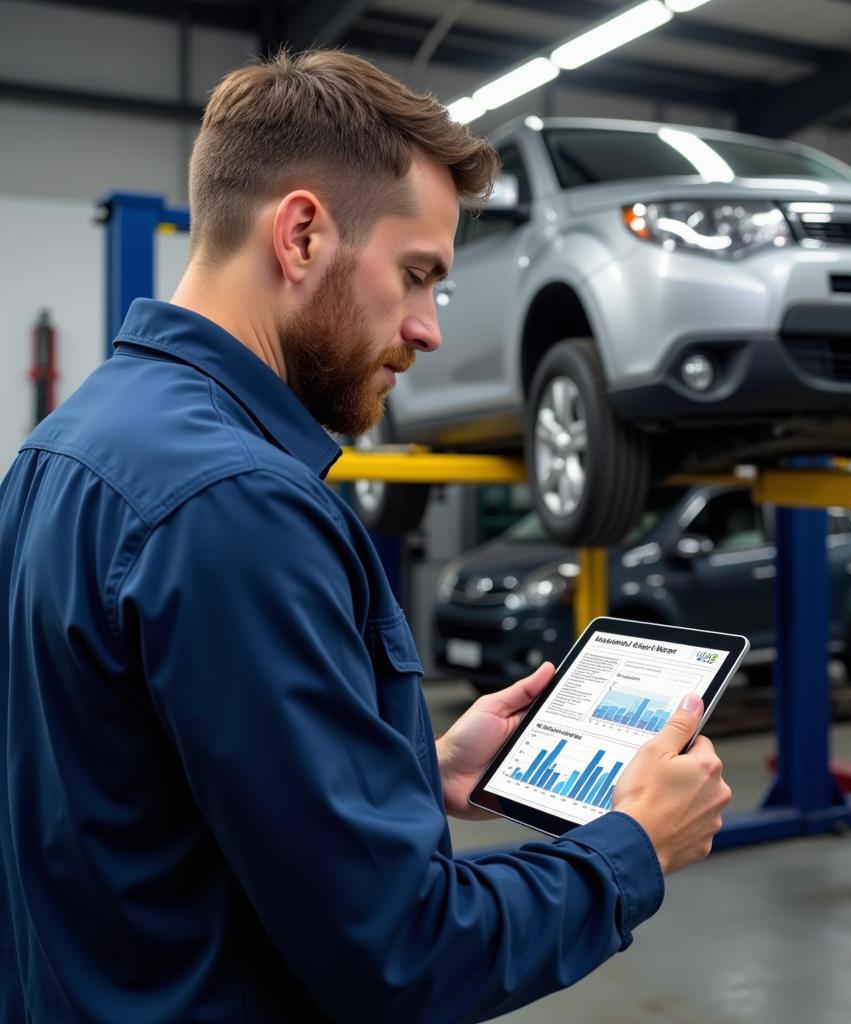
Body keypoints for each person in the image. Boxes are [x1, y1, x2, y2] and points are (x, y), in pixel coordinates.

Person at [0, 49, 731, 1023]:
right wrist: (631, 844)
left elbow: (138, 793)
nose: (427, 329)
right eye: (418, 273)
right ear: (301, 233)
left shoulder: (63, 449)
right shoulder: (236, 505)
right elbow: (402, 953)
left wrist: (416, 765)